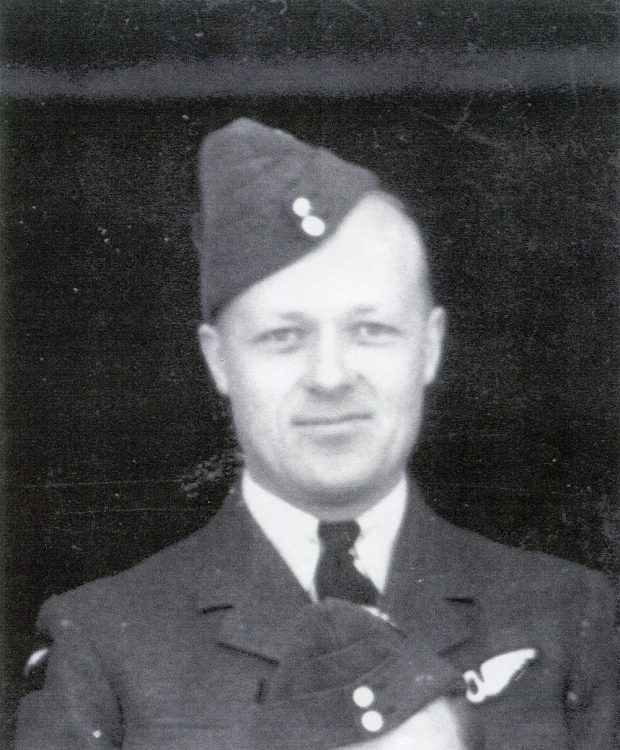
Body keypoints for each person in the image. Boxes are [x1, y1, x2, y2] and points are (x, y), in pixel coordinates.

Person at [15, 118, 616, 749]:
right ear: (220, 361)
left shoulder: (569, 616)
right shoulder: (106, 642)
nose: (330, 377)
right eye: (283, 337)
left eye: (371, 330)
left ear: (430, 347)